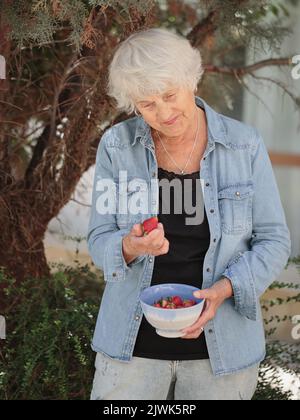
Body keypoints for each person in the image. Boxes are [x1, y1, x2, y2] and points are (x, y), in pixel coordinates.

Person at [87, 28, 291, 400]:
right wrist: (130, 247)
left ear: (190, 80)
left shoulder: (243, 145)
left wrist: (224, 289)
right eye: (147, 105)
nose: (163, 113)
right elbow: (99, 239)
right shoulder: (117, 146)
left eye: (169, 95)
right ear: (133, 105)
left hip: (222, 353)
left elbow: (274, 240)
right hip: (131, 351)